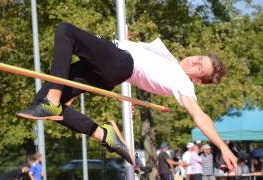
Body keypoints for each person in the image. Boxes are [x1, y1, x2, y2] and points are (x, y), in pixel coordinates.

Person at [16, 23, 237, 167]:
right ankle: (105, 135)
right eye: (198, 58)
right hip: (104, 69)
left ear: (197, 80)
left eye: (199, 68)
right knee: (39, 104)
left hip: (119, 64)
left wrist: (223, 147)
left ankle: (53, 99)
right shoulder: (169, 61)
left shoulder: (183, 83)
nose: (193, 61)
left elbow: (199, 116)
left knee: (65, 32)